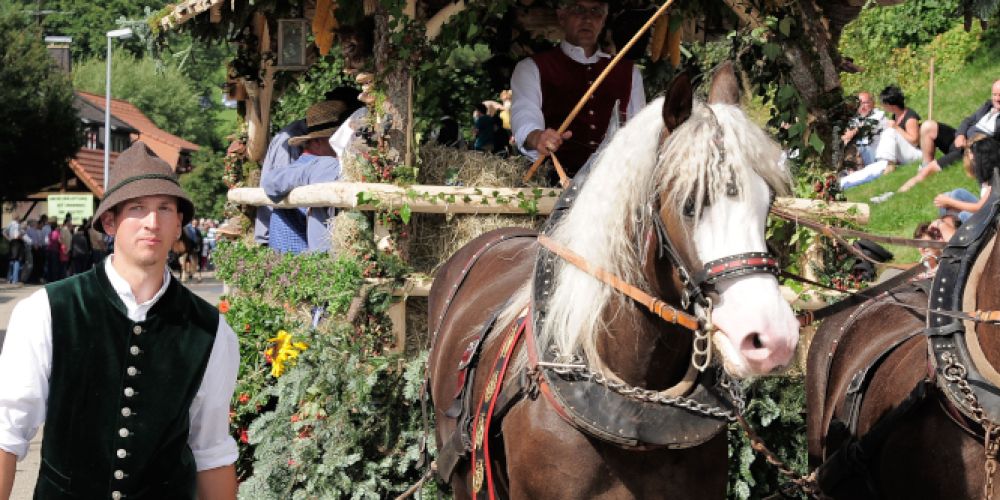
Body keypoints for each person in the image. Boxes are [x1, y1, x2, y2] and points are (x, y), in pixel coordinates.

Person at [0, 141, 239, 499]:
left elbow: (212, 450)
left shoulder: (211, 330)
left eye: (165, 209)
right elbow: (7, 432)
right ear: (109, 221)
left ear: (179, 226)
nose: (152, 222)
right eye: (137, 208)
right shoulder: (45, 311)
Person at [510, 0, 646, 184]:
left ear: (603, 19)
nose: (587, 18)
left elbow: (638, 133)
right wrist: (537, 137)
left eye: (596, 11)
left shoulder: (628, 72)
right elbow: (524, 114)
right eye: (578, 10)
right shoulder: (532, 68)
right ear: (562, 16)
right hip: (555, 185)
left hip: (613, 187)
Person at [261, 91, 361, 253]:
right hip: (310, 265)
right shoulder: (327, 165)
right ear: (319, 140)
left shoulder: (296, 168)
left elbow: (270, 182)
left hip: (287, 264)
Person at [900, 79, 1000, 192]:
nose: (997, 98)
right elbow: (968, 120)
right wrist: (960, 134)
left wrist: (972, 144)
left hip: (970, 150)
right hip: (961, 140)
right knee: (928, 126)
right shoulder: (988, 106)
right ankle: (925, 164)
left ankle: (901, 192)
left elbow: (992, 145)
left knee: (929, 170)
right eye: (994, 94)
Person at [932, 135, 998, 223]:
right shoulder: (987, 172)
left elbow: (979, 207)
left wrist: (950, 202)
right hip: (988, 210)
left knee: (963, 214)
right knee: (957, 194)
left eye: (974, 159)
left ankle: (947, 227)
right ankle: (946, 224)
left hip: (993, 221)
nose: (971, 161)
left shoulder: (996, 178)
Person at [873, 85, 922, 174]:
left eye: (884, 104)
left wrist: (896, 127)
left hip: (918, 154)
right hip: (906, 153)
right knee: (887, 132)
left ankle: (890, 164)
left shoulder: (910, 118)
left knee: (890, 132)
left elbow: (915, 141)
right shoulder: (895, 115)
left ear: (891, 105)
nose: (883, 106)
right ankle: (887, 162)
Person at [841, 91, 885, 166]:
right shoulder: (855, 119)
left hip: (876, 154)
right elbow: (845, 135)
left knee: (858, 146)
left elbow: (867, 125)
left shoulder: (879, 114)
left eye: (865, 103)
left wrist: (853, 132)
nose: (862, 106)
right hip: (861, 156)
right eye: (859, 103)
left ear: (872, 103)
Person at [3, 217, 23, 284]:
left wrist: (9, 239)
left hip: (11, 242)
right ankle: (15, 279)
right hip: (17, 242)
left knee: (11, 260)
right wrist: (21, 235)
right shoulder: (17, 225)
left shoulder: (10, 224)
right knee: (17, 261)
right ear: (18, 219)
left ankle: (9, 279)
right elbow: (17, 235)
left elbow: (4, 232)